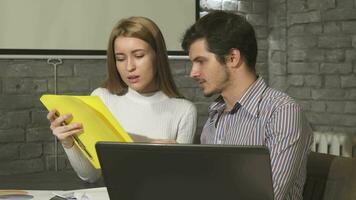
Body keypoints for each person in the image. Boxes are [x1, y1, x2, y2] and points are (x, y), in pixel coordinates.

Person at [47, 16, 197, 183]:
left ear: (158, 56)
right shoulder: (101, 98)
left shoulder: (184, 110)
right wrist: (69, 143)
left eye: (139, 55)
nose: (129, 67)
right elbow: (90, 176)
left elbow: (178, 182)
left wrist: (176, 160)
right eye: (120, 58)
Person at [181, 11, 313, 200]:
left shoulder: (282, 112)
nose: (193, 72)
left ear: (232, 58)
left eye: (201, 61)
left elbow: (265, 196)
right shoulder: (215, 116)